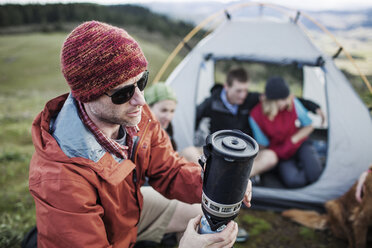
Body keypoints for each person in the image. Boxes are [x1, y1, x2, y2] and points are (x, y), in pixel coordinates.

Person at [27, 21, 252, 248]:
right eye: (123, 93)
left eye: (141, 81)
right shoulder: (60, 179)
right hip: (100, 233)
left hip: (127, 214)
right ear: (87, 96)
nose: (141, 100)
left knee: (201, 215)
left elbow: (169, 170)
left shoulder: (135, 115)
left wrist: (215, 182)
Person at [196, 68, 325, 178]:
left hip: (244, 150)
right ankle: (214, 176)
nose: (243, 95)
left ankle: (239, 178)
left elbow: (285, 98)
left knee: (272, 158)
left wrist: (313, 106)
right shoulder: (211, 103)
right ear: (226, 87)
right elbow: (195, 116)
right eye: (239, 91)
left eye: (246, 90)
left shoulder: (250, 98)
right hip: (221, 149)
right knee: (191, 152)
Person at [249, 76, 323, 188]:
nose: (287, 101)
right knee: (294, 181)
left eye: (287, 97)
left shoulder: (293, 103)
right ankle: (300, 166)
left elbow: (309, 126)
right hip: (281, 152)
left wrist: (293, 140)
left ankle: (309, 162)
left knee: (315, 174)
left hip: (299, 143)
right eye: (283, 99)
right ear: (272, 100)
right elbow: (263, 145)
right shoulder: (256, 116)